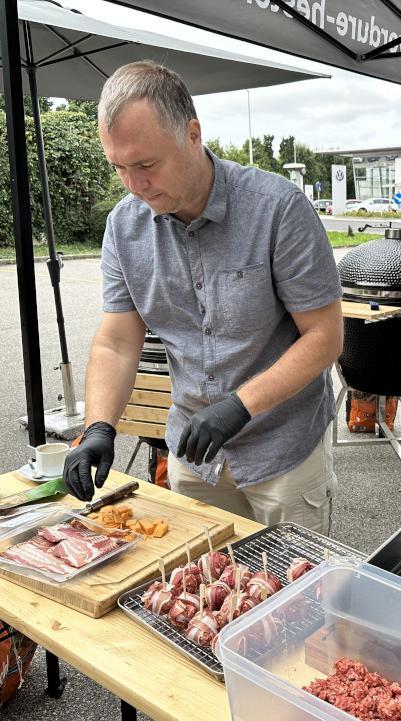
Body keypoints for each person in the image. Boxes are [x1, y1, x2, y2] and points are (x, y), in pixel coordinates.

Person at [63, 61, 343, 536]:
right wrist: (99, 428)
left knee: (296, 602)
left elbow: (325, 337)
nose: (135, 185)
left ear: (192, 133)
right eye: (120, 168)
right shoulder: (123, 227)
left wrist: (240, 405)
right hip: (195, 457)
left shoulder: (276, 209)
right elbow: (117, 341)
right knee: (203, 598)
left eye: (147, 164)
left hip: (283, 450)